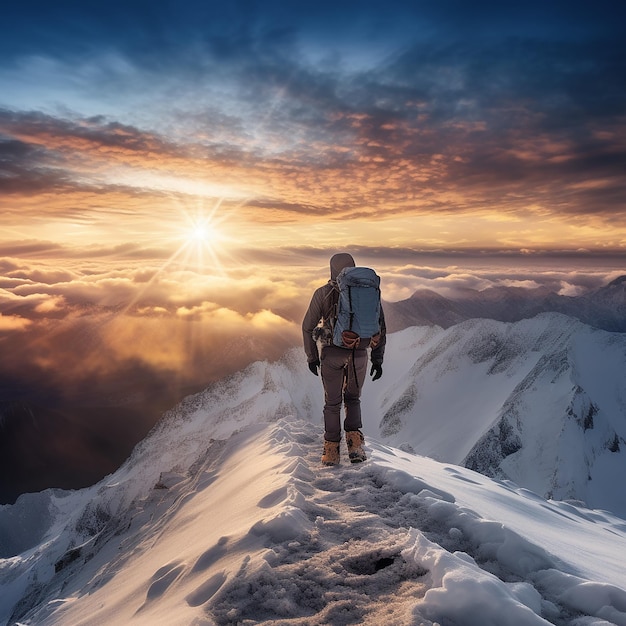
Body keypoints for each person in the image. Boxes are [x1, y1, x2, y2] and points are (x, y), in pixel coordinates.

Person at [302, 252, 386, 465]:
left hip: (332, 353)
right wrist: (377, 359)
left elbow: (307, 326)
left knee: (332, 403)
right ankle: (355, 447)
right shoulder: (367, 292)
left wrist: (312, 357)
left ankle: (331, 452)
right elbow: (381, 326)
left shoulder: (323, 293)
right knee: (353, 399)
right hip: (359, 353)